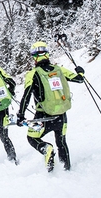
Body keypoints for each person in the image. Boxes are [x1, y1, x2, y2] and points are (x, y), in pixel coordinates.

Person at [16, 41, 84, 172]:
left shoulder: (32, 74)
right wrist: (80, 71)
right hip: (61, 114)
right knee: (62, 142)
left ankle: (46, 149)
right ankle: (66, 170)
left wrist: (21, 115)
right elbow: (79, 79)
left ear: (33, 56)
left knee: (32, 138)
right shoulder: (60, 70)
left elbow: (26, 96)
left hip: (43, 116)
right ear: (47, 54)